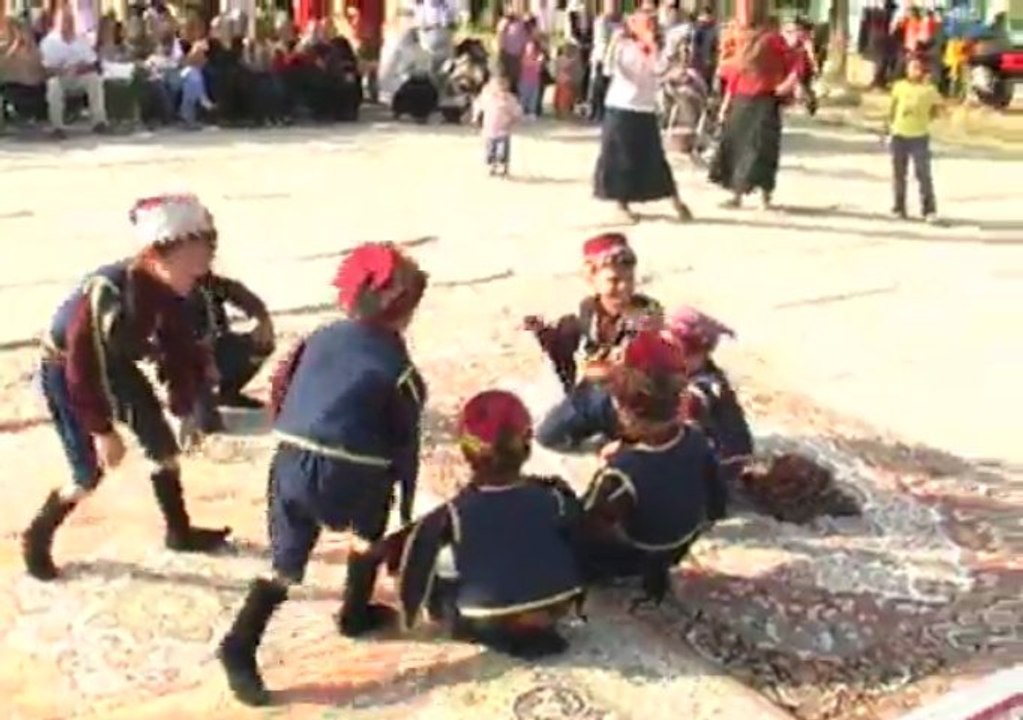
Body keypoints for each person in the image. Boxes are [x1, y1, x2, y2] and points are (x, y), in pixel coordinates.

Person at [217, 243, 428, 708]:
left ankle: (239, 644)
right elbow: (404, 443)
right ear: (405, 309)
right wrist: (406, 500)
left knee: (286, 565)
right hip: (355, 475)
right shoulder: (400, 370)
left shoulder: (318, 336)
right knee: (367, 535)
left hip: (290, 461)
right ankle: (354, 614)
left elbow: (281, 388)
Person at [21, 194, 231, 582]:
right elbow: (84, 366)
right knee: (88, 474)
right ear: (155, 256)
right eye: (191, 263)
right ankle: (37, 538)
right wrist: (102, 430)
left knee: (161, 446)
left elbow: (180, 348)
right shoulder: (108, 291)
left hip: (114, 363)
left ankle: (178, 531)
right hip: (66, 366)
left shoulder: (176, 288)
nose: (198, 273)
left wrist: (185, 404)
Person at [374, 390, 585, 658]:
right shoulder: (555, 495)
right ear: (527, 445)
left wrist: (408, 616)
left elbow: (413, 575)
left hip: (486, 620)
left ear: (466, 451)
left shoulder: (450, 514)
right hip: (557, 604)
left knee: (437, 568)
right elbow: (580, 536)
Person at [579, 330, 718, 609]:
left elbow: (591, 526)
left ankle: (598, 577)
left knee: (572, 518)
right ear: (680, 403)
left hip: (638, 553)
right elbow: (715, 494)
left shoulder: (621, 472)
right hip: (683, 541)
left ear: (621, 410)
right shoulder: (696, 437)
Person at [525, 233, 662, 450]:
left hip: (629, 400)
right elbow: (566, 343)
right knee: (547, 436)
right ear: (592, 280)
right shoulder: (589, 309)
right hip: (595, 391)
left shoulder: (646, 315)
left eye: (629, 279)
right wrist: (544, 333)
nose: (624, 287)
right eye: (614, 280)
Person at [593, 11, 693, 224]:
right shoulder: (624, 46)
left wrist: (673, 70)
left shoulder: (655, 49)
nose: (653, 28)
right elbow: (613, 71)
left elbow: (658, 72)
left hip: (645, 110)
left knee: (654, 159)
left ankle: (676, 202)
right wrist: (614, 45)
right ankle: (621, 206)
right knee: (620, 161)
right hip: (622, 108)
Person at [666, 306, 751, 517]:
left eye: (683, 353)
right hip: (728, 452)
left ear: (702, 354)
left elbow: (685, 425)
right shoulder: (703, 374)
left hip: (721, 461)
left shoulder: (701, 389)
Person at [709, 10, 797, 210]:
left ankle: (765, 197)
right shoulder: (741, 40)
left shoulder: (773, 40)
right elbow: (735, 76)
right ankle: (736, 195)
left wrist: (787, 85)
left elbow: (794, 64)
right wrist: (726, 104)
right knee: (736, 148)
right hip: (741, 100)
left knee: (763, 149)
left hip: (765, 99)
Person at [186, 271, 274, 431]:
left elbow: (236, 292)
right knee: (205, 425)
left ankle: (229, 393)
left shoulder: (208, 282)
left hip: (217, 347)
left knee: (261, 344)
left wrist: (262, 316)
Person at [887, 55, 941, 223]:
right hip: (899, 135)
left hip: (919, 136)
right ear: (906, 69)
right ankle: (899, 207)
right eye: (912, 67)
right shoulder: (899, 87)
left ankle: (929, 210)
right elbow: (892, 109)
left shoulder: (929, 90)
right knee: (898, 174)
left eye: (918, 67)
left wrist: (924, 120)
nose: (915, 70)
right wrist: (890, 128)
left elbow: (935, 111)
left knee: (923, 174)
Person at [39, 8, 108, 138]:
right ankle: (57, 127)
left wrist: (80, 67)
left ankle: (99, 122)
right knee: (53, 85)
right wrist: (62, 70)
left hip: (79, 76)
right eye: (64, 21)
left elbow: (92, 63)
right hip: (60, 77)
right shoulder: (49, 42)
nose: (67, 24)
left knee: (94, 79)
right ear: (57, 22)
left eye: (70, 21)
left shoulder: (81, 40)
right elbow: (46, 69)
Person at [473, 72, 522, 177]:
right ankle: (492, 166)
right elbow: (478, 105)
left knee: (502, 151)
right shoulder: (487, 97)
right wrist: (476, 116)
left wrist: (516, 116)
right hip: (489, 130)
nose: (501, 87)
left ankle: (503, 166)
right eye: (497, 84)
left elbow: (516, 109)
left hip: (503, 130)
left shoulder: (509, 99)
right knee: (490, 151)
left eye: (503, 84)